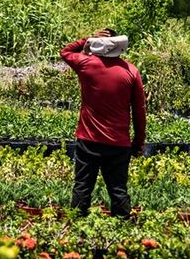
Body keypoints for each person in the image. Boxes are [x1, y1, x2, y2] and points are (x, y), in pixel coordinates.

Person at [60, 29, 146, 218]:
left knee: (82, 188)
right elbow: (139, 111)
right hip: (118, 144)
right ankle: (123, 234)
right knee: (118, 191)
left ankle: (74, 233)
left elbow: (65, 52)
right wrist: (138, 143)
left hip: (88, 140)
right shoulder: (131, 71)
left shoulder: (86, 64)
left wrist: (88, 38)